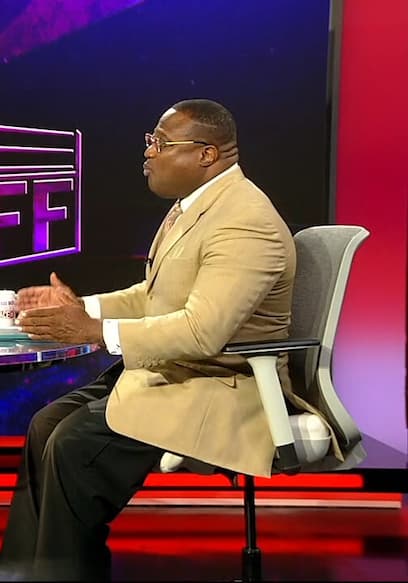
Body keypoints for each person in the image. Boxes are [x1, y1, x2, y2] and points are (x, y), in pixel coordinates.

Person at [0, 99, 297, 581]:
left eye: (160, 143)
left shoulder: (244, 221)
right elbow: (153, 294)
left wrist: (94, 331)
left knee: (73, 447)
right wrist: (82, 308)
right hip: (174, 373)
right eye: (150, 142)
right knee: (45, 424)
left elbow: (202, 330)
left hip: (222, 385)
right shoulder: (194, 207)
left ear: (206, 153)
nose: (148, 153)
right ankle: (22, 575)